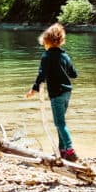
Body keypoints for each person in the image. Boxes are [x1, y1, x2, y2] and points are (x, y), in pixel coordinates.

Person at [26, 23, 79, 162]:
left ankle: (70, 150)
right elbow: (74, 74)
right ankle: (63, 151)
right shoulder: (65, 56)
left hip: (56, 94)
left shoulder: (46, 56)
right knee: (61, 122)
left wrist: (34, 89)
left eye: (43, 43)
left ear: (47, 41)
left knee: (59, 124)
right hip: (67, 91)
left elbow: (41, 74)